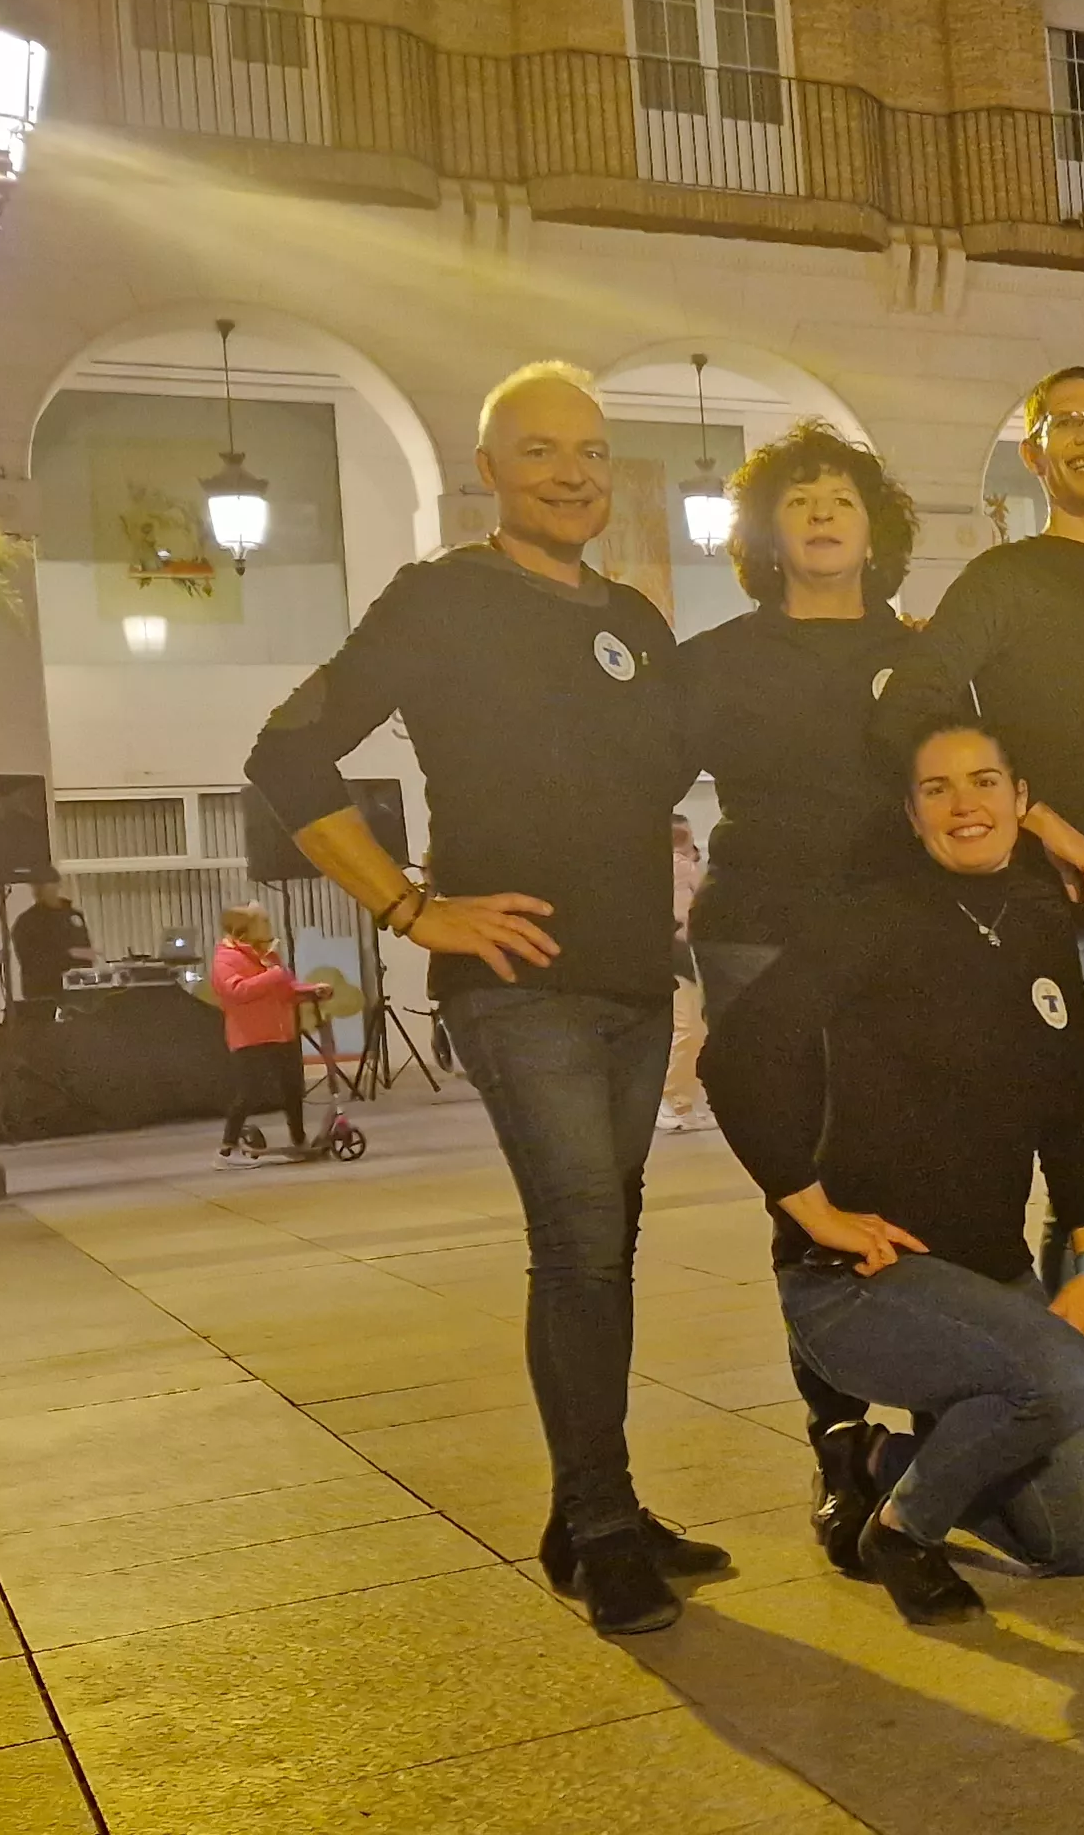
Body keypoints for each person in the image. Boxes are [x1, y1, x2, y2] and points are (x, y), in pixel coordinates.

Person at [245, 361, 724, 1632]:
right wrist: (411, 908)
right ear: (489, 471)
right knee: (580, 1242)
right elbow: (285, 753)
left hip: (632, 976)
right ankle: (603, 1525)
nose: (572, 474)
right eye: (541, 451)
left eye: (591, 452)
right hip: (517, 983)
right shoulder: (441, 599)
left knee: (603, 1246)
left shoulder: (636, 618)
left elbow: (694, 754)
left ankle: (590, 1509)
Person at [875, 366, 1084, 1502]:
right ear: (1033, 454)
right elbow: (918, 702)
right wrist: (1040, 817)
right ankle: (1075, 1418)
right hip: (1065, 936)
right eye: (1064, 423)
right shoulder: (1004, 581)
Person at [702, 717, 1084, 1622]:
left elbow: (1069, 1112)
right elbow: (736, 1055)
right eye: (938, 788)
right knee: (1068, 1377)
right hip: (864, 1280)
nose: (964, 804)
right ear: (911, 812)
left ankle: (881, 1462)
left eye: (985, 782)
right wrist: (813, 1211)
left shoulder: (1039, 922)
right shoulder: (872, 918)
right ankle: (904, 1528)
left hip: (990, 1275)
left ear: (1022, 799)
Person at [669, 416, 932, 1554]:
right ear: (766, 533)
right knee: (802, 1181)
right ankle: (837, 1436)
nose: (823, 513)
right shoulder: (715, 660)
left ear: (876, 531)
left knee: (919, 1168)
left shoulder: (924, 653)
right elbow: (624, 789)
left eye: (843, 498)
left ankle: (941, 1419)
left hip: (899, 936)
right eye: (800, 498)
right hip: (761, 935)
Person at [211, 903, 328, 1165]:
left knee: (292, 1089)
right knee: (248, 1093)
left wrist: (310, 991)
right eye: (262, 923)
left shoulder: (267, 955)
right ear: (244, 928)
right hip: (249, 1037)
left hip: (281, 1033)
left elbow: (284, 988)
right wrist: (272, 975)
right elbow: (236, 991)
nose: (268, 928)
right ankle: (226, 1150)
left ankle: (299, 1139)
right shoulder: (225, 959)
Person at [659, 815, 710, 1134]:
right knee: (688, 1028)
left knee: (693, 1029)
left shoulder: (683, 866)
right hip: (676, 955)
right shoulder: (681, 867)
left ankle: (681, 1101)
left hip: (682, 956)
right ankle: (670, 1099)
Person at [8, 881, 95, 999]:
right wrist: (70, 953)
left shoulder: (73, 915)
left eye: (44, 884)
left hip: (80, 992)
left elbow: (85, 950)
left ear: (57, 884)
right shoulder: (26, 922)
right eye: (36, 885)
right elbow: (30, 962)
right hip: (44, 995)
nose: (38, 889)